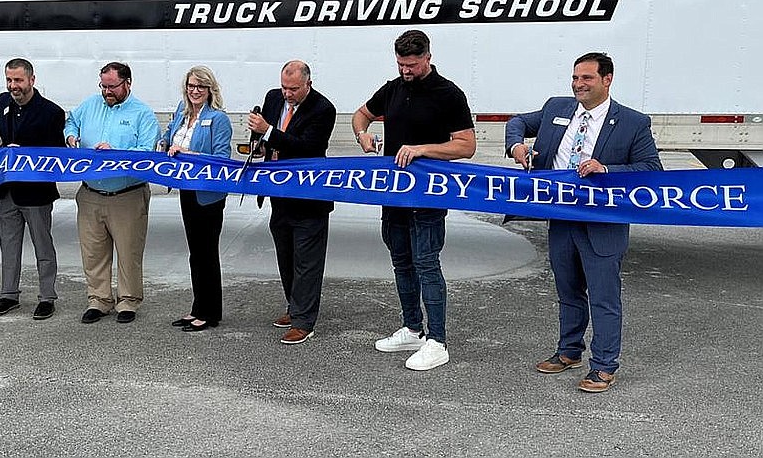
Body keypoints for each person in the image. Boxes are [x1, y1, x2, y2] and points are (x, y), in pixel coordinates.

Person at [505, 52, 662, 393]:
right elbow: (516, 122)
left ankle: (603, 366)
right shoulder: (556, 108)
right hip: (561, 218)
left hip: (601, 224)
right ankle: (569, 351)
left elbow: (651, 169)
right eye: (575, 78)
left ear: (607, 80)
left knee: (603, 298)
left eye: (587, 78)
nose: (578, 84)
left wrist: (606, 169)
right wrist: (517, 146)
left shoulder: (633, 122)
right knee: (568, 291)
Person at [351, 29, 476, 371]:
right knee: (401, 262)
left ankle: (438, 341)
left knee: (426, 263)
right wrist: (363, 135)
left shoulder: (449, 94)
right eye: (401, 64)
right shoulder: (393, 88)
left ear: (428, 58)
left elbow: (466, 145)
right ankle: (412, 329)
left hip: (428, 195)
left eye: (412, 65)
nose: (406, 70)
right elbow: (360, 114)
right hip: (394, 193)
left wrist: (422, 150)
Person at [246, 60, 335, 345]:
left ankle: (304, 322)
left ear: (308, 84)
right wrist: (260, 142)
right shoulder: (273, 98)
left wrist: (268, 131)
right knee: (286, 256)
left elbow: (307, 148)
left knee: (307, 262)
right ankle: (294, 307)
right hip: (279, 194)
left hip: (309, 198)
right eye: (284, 87)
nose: (287, 93)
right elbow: (268, 139)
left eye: (294, 89)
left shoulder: (323, 109)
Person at [64, 62, 159, 324]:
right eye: (103, 86)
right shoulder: (90, 104)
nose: (107, 91)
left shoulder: (143, 114)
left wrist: (116, 153)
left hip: (127, 195)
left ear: (127, 83)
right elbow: (71, 121)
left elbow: (147, 151)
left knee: (129, 253)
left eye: (112, 86)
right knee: (93, 252)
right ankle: (99, 300)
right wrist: (71, 136)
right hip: (91, 193)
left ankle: (128, 301)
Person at [0, 58, 66, 320]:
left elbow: (57, 152)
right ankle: (8, 294)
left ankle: (47, 297)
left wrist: (26, 152)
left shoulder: (51, 112)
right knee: (8, 246)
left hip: (36, 193)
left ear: (32, 80)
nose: (13, 85)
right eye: (9, 80)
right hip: (7, 190)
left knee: (43, 246)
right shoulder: (3, 101)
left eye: (18, 80)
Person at [160, 66, 233, 332]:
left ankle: (210, 312)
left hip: (208, 194)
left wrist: (188, 153)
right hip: (186, 189)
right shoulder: (182, 111)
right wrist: (163, 144)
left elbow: (222, 158)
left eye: (201, 86)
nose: (195, 91)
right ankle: (198, 307)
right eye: (191, 86)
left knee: (207, 253)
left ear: (210, 89)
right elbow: (168, 136)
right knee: (195, 254)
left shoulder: (218, 119)